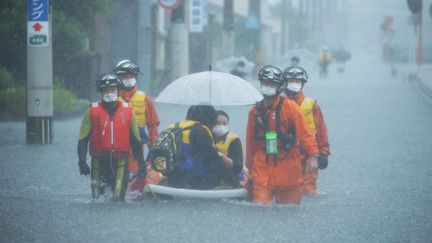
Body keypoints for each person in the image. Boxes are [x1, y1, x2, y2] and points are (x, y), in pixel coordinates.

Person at [246, 65, 320, 205]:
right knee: (260, 206)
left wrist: (314, 156)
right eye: (266, 83)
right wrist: (249, 173)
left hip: (287, 163)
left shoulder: (290, 108)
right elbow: (251, 145)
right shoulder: (254, 112)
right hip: (262, 164)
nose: (268, 86)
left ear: (279, 87)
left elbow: (306, 135)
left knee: (289, 208)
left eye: (272, 84)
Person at [77, 73, 146, 201]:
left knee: (118, 199)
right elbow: (83, 139)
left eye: (113, 90)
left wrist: (141, 165)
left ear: (119, 91)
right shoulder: (91, 111)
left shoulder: (128, 111)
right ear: (101, 92)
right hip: (98, 162)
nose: (110, 93)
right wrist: (82, 162)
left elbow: (136, 141)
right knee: (97, 199)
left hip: (120, 162)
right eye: (106, 90)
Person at [283, 66, 331, 196]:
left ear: (302, 84)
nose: (294, 84)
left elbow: (321, 130)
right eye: (291, 81)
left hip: (310, 156)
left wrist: (324, 153)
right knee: (286, 191)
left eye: (297, 81)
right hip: (285, 156)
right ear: (285, 83)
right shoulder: (279, 105)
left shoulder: (311, 105)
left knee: (307, 191)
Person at [114, 60, 160, 180]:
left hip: (136, 148)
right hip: (116, 146)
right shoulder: (111, 99)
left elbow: (153, 125)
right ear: (118, 77)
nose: (129, 78)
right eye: (125, 76)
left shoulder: (145, 98)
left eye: (132, 76)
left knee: (133, 176)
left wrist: (153, 148)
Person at [166, 105, 228, 189]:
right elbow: (214, 159)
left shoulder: (174, 126)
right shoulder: (200, 131)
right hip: (192, 180)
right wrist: (232, 181)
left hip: (171, 176)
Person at [213, 110, 244, 188]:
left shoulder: (234, 140)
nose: (221, 126)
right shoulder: (207, 136)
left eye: (224, 124)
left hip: (230, 173)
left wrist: (222, 157)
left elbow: (237, 166)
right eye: (218, 123)